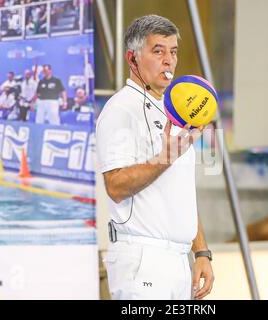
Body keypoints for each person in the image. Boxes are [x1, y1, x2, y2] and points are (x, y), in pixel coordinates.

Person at [96, 15, 214, 300]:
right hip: (142, 259)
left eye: (173, 52)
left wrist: (201, 251)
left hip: (178, 261)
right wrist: (165, 158)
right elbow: (115, 186)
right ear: (132, 58)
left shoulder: (173, 112)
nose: (169, 61)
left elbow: (181, 193)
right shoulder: (121, 109)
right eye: (158, 51)